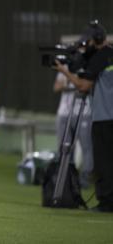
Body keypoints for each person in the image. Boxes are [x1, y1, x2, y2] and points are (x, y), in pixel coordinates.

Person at [54, 20, 113, 213]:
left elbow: (83, 86)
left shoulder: (100, 56)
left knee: (103, 162)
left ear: (95, 40)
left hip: (105, 117)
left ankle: (106, 203)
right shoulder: (109, 54)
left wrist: (64, 71)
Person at [53, 68, 93, 188]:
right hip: (64, 113)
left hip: (83, 112)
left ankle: (84, 181)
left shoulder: (87, 66)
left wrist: (70, 82)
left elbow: (85, 87)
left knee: (87, 148)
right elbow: (56, 87)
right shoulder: (64, 68)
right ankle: (66, 179)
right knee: (65, 148)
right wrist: (74, 82)